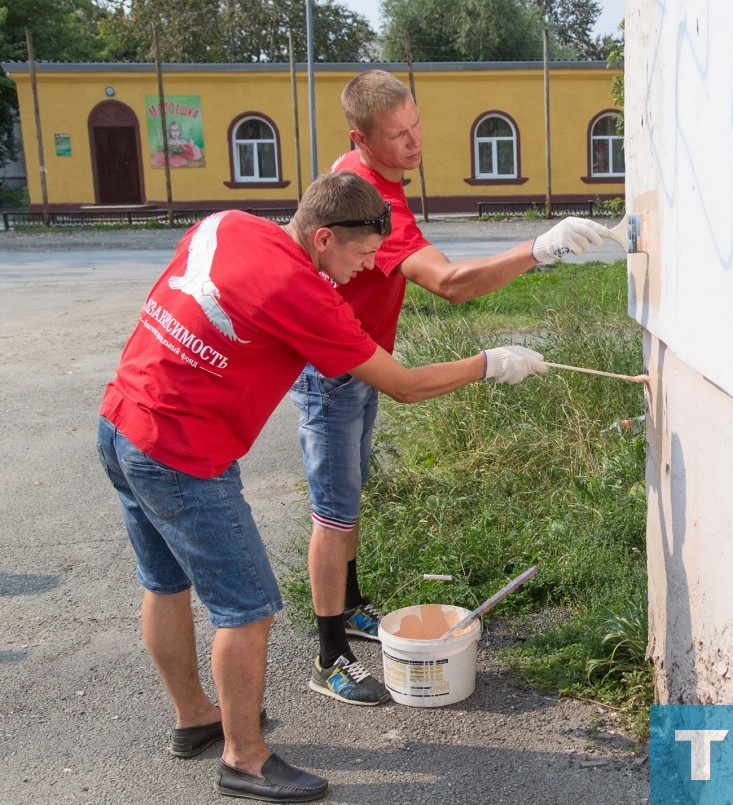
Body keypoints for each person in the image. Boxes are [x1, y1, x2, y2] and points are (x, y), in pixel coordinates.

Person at [96, 170, 549, 803]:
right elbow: (404, 383)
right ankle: (244, 759)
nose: (367, 270)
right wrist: (489, 363)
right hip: (181, 452)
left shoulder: (228, 223)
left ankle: (196, 717)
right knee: (248, 610)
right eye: (362, 256)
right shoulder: (303, 293)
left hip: (120, 422)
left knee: (164, 583)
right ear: (324, 237)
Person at [291, 69, 609, 707]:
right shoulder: (364, 196)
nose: (413, 144)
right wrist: (539, 250)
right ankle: (329, 657)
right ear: (362, 139)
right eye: (397, 136)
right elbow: (452, 283)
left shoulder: (356, 168)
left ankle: (351, 607)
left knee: (349, 493)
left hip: (363, 361)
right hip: (334, 371)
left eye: (416, 127)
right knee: (334, 510)